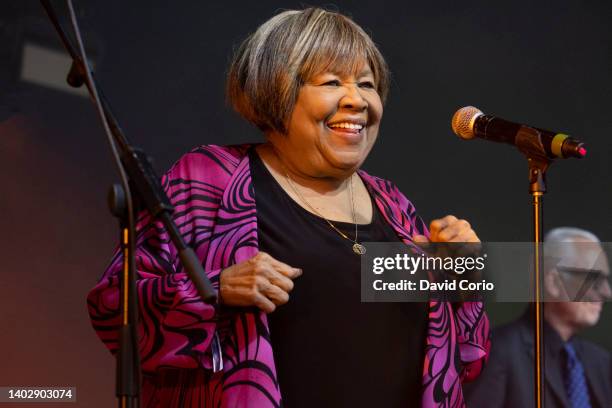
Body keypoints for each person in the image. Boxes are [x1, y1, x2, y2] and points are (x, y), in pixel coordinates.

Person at [87, 8, 489, 407]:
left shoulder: (394, 206)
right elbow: (113, 309)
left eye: (367, 84)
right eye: (332, 81)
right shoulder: (211, 179)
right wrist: (217, 289)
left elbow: (466, 358)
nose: (357, 100)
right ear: (277, 92)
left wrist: (464, 274)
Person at [464, 227, 612, 408]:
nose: (607, 292)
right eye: (593, 279)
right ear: (552, 281)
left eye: (606, 281)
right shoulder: (497, 352)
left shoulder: (601, 362)